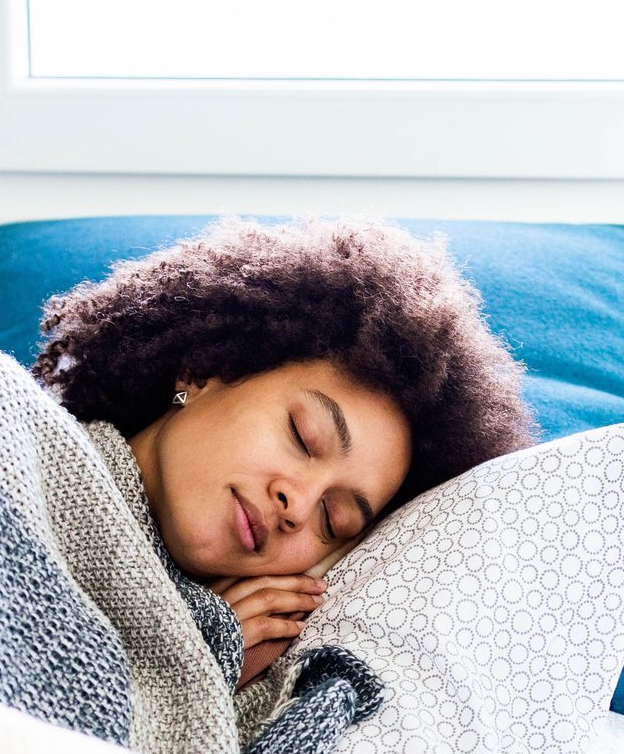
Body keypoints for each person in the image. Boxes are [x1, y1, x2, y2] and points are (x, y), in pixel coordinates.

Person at [32, 217, 537, 685]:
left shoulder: (251, 663)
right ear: (205, 371)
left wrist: (208, 658)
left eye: (334, 520)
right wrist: (180, 656)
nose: (297, 506)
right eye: (303, 436)